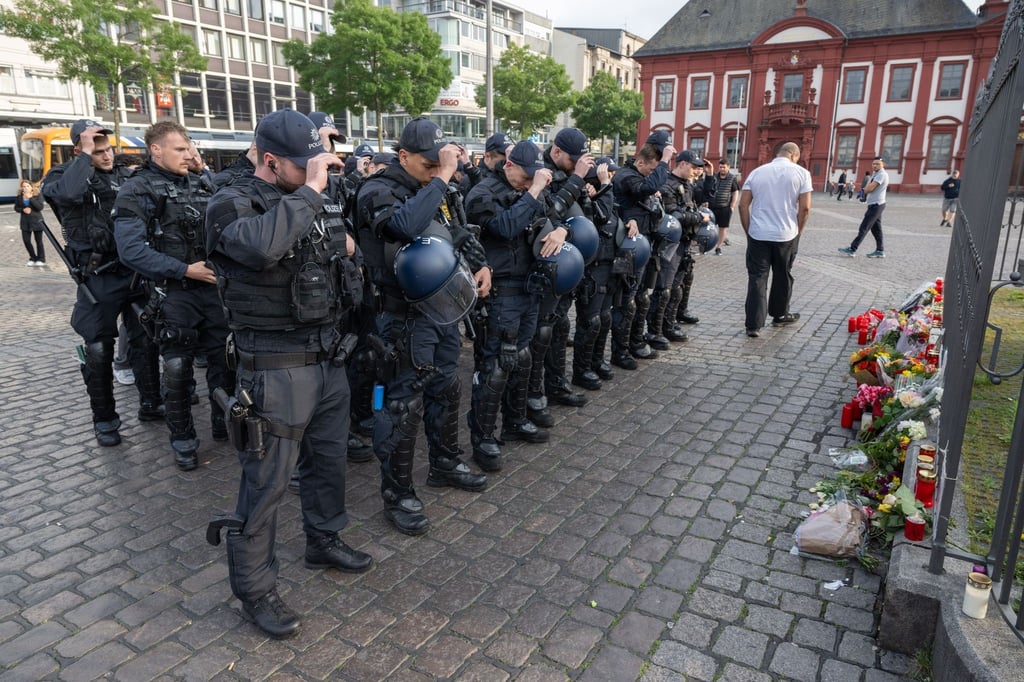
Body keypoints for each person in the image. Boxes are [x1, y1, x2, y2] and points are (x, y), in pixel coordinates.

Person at [205, 109, 372, 639]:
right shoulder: (231, 201)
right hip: (273, 368)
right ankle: (255, 589)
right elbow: (260, 247)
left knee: (328, 462)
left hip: (327, 357)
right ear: (271, 160)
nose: (315, 171)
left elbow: (342, 254)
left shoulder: (313, 197)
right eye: (303, 165)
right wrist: (311, 192)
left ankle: (324, 539)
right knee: (267, 482)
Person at [355, 117, 491, 536]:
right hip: (400, 316)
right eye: (429, 164)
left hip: (440, 309)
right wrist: (443, 177)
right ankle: (397, 494)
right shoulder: (377, 190)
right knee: (402, 404)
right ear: (403, 156)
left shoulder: (434, 189)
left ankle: (445, 462)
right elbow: (403, 226)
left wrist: (481, 263)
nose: (436, 171)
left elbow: (456, 232)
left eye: (440, 164)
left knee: (446, 386)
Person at [113, 121, 234, 471]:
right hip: (173, 293)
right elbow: (131, 250)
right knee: (178, 369)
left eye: (189, 147)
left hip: (212, 290)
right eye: (180, 149)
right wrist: (183, 270)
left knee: (224, 361)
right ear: (156, 150)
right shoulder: (136, 189)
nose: (188, 154)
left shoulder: (202, 182)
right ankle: (183, 440)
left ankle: (223, 423)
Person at [42, 118, 164, 446]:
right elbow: (69, 193)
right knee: (98, 349)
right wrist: (85, 155)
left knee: (146, 339)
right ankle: (105, 419)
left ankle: (151, 402)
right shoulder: (62, 177)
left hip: (134, 271)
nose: (107, 156)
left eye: (108, 149)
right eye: (97, 151)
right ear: (79, 151)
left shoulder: (126, 175)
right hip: (97, 277)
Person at [464, 140, 556, 471]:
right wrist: (534, 191)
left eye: (535, 177)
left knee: (521, 357)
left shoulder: (532, 191)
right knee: (496, 365)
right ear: (508, 165)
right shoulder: (483, 193)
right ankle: (483, 438)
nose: (531, 181)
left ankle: (515, 421)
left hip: (529, 286)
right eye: (526, 176)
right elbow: (505, 228)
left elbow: (552, 219)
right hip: (500, 291)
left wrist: (561, 232)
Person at [611, 130, 675, 359]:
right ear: (640, 161)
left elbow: (651, 189)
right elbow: (644, 188)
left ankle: (636, 343)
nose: (652, 174)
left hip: (645, 244)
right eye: (651, 169)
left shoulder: (638, 175)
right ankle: (620, 351)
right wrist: (664, 161)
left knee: (640, 297)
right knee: (626, 301)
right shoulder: (626, 176)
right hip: (629, 248)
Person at [738, 141, 812, 338]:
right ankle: (779, 314)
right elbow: (805, 208)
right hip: (786, 234)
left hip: (758, 234)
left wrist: (749, 231)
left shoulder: (756, 172)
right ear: (794, 155)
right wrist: (798, 231)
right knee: (782, 275)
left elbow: (743, 205)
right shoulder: (802, 173)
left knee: (757, 278)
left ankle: (753, 325)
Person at [659, 150, 708, 341]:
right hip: (671, 244)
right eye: (694, 167)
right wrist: (698, 218)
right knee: (665, 288)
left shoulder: (686, 185)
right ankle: (658, 329)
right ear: (682, 164)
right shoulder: (668, 185)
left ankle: (669, 323)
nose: (696, 171)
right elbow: (674, 215)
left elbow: (701, 200)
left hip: (684, 241)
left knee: (677, 286)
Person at [839, 156, 889, 258]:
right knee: (876, 229)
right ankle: (880, 250)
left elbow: (870, 188)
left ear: (883, 165)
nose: (875, 166)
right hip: (875, 204)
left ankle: (852, 249)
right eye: (873, 164)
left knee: (864, 227)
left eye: (877, 164)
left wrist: (863, 190)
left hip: (876, 205)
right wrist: (864, 190)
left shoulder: (882, 174)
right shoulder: (876, 174)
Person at [705, 159, 740, 254]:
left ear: (728, 167)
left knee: (723, 228)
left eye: (724, 167)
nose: (722, 169)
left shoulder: (732, 178)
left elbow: (735, 192)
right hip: (712, 206)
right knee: (709, 226)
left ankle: (718, 247)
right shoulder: (714, 176)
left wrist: (732, 205)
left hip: (725, 207)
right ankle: (706, 246)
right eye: (720, 167)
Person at [15, 180, 46, 266]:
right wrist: (23, 210)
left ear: (31, 187)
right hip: (25, 222)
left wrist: (30, 198)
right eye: (24, 186)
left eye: (27, 186)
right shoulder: (19, 196)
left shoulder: (37, 195)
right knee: (26, 241)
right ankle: (33, 257)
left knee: (38, 241)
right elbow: (16, 208)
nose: (25, 188)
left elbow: (40, 207)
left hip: (37, 221)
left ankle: (41, 259)